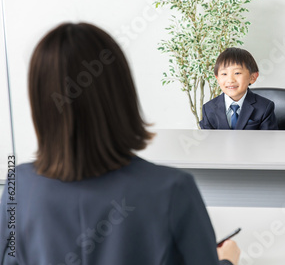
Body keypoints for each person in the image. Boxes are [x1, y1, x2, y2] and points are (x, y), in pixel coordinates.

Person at [0, 23, 240, 265]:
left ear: (40, 102)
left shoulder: (18, 188)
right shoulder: (172, 189)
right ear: (122, 94)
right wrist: (226, 262)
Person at [199, 47, 278, 130]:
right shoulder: (208, 108)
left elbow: (269, 141)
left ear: (252, 77)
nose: (230, 80)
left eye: (237, 73)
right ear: (217, 78)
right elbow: (207, 142)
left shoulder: (264, 107)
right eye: (224, 74)